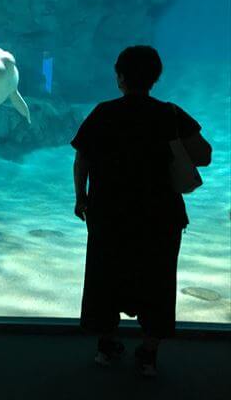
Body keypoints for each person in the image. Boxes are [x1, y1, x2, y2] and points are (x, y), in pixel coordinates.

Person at [71, 46, 212, 377]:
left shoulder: (104, 112)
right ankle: (149, 353)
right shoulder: (169, 113)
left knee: (105, 278)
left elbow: (83, 159)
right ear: (156, 78)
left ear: (120, 77)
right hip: (159, 215)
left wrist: (80, 197)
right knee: (157, 279)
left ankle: (106, 347)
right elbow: (204, 155)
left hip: (109, 213)